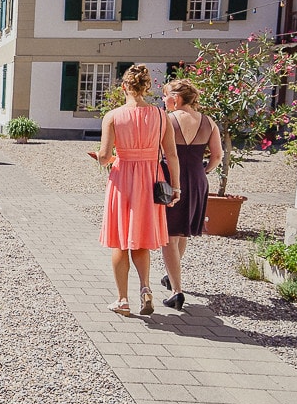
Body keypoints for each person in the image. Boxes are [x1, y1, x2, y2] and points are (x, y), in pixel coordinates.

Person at [96, 64, 181, 317]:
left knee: (120, 241)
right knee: (140, 239)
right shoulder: (160, 115)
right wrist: (175, 187)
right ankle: (145, 288)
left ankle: (122, 299)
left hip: (123, 180)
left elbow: (103, 156)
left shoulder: (113, 116)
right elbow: (172, 155)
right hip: (151, 179)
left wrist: (108, 160)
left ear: (124, 87)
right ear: (147, 88)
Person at [159, 78, 223, 310]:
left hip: (170, 179)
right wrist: (203, 171)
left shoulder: (167, 120)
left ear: (175, 98)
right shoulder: (208, 121)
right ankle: (171, 275)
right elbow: (217, 156)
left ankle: (177, 291)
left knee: (169, 236)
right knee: (182, 231)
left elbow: (157, 152)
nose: (163, 100)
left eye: (165, 96)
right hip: (197, 179)